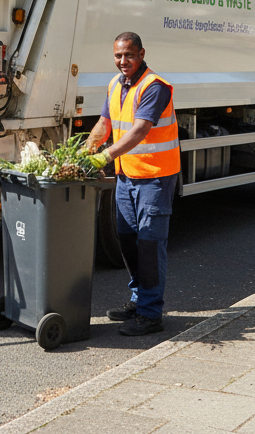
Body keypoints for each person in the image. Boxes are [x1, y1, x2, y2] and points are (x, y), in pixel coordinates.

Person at [83, 31, 180, 337]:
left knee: (150, 246)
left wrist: (104, 158)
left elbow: (139, 131)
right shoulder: (114, 85)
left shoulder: (155, 87)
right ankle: (139, 301)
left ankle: (151, 314)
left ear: (141, 53)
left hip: (156, 178)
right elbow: (104, 124)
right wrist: (83, 154)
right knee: (127, 241)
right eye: (118, 56)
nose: (123, 61)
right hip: (127, 177)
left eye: (129, 55)